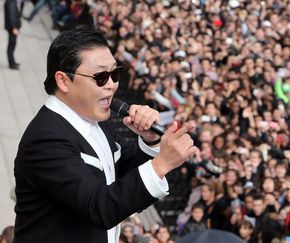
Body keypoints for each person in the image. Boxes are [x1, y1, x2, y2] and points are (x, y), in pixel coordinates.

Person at [13, 27, 197, 243]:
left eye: (115, 73)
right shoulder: (45, 138)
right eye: (100, 76)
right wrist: (162, 163)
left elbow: (118, 171)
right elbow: (99, 207)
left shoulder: (94, 120)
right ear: (63, 81)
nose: (112, 84)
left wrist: (152, 141)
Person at [4, 0, 21, 70]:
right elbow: (12, 15)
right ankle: (12, 63)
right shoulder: (11, 2)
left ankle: (12, 61)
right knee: (11, 44)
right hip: (12, 28)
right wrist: (14, 28)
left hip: (12, 27)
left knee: (12, 44)